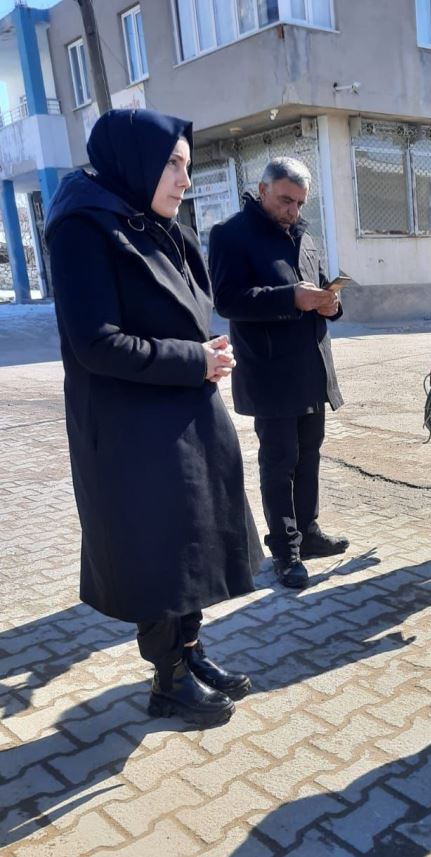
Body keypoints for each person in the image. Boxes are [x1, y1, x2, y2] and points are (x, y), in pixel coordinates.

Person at [46, 108, 264, 728]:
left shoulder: (153, 223)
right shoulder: (85, 228)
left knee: (193, 542)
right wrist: (191, 359)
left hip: (181, 412)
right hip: (130, 429)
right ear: (137, 160)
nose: (184, 180)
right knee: (158, 550)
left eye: (187, 166)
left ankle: (189, 654)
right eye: (173, 164)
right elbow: (95, 342)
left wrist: (202, 356)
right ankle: (166, 679)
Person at [209, 158, 346, 591]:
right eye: (286, 199)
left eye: (300, 203)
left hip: (311, 368)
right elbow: (228, 300)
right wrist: (292, 297)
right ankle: (285, 550)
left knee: (310, 456)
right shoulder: (232, 234)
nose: (293, 210)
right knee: (279, 461)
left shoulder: (305, 235)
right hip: (270, 373)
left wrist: (331, 303)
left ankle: (309, 532)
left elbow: (320, 286)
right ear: (262, 190)